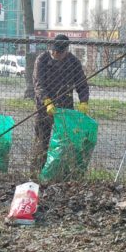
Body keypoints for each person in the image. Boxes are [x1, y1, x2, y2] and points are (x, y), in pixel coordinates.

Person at [32, 34, 90, 173]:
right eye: (54, 51)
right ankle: (37, 173)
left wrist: (84, 102)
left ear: (66, 51)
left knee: (63, 144)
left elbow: (82, 84)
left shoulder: (73, 62)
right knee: (42, 142)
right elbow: (39, 84)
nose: (56, 54)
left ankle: (59, 173)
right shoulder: (42, 60)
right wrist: (47, 102)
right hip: (44, 108)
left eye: (59, 52)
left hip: (65, 109)